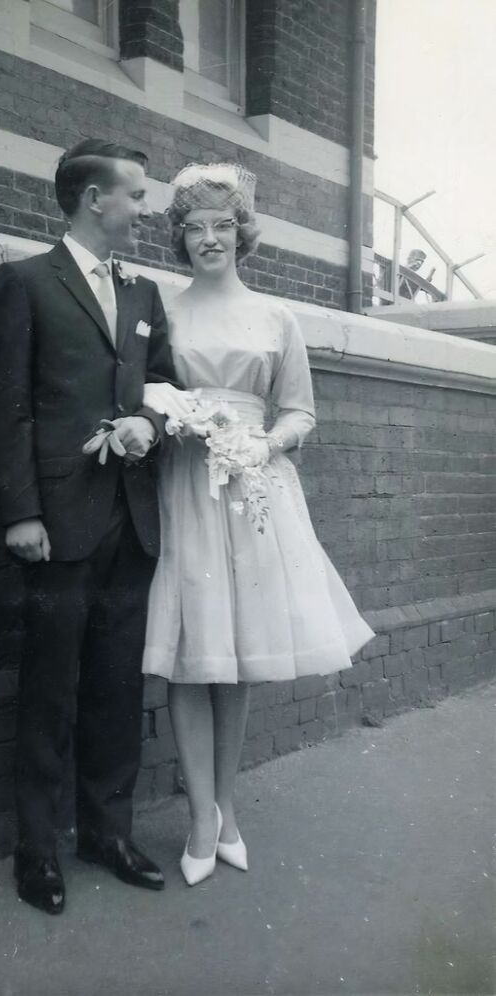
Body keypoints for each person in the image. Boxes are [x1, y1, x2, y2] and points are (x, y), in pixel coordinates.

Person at [142, 163, 374, 886]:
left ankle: (228, 809)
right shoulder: (163, 312)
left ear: (242, 233)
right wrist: (175, 417)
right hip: (185, 484)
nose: (209, 239)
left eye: (223, 225)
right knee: (193, 648)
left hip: (252, 489)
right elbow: (146, 393)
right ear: (180, 237)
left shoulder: (277, 318)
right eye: (195, 227)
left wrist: (265, 445)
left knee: (237, 649)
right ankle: (198, 820)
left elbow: (301, 410)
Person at [0, 139, 183, 915]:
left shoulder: (144, 294)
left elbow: (163, 385)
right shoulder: (26, 283)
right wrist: (22, 514)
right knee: (49, 689)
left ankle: (108, 833)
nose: (146, 208)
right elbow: (8, 409)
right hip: (58, 525)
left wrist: (147, 426)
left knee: (116, 685)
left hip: (131, 521)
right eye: (137, 194)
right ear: (96, 199)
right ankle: (37, 850)